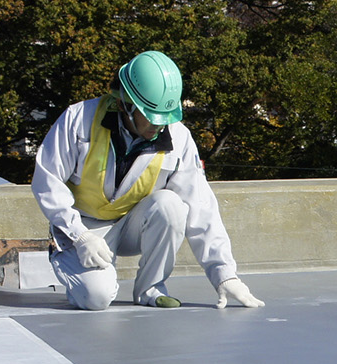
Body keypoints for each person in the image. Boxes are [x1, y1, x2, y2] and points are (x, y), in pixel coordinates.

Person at [31, 50, 263, 311]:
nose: (159, 126)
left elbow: (201, 206)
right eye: (151, 117)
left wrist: (224, 274)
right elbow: (47, 182)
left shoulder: (179, 138)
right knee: (95, 298)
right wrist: (79, 235)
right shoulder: (79, 119)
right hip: (83, 227)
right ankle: (70, 263)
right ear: (125, 105)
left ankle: (151, 289)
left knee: (171, 205)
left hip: (132, 224)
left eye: (165, 118)